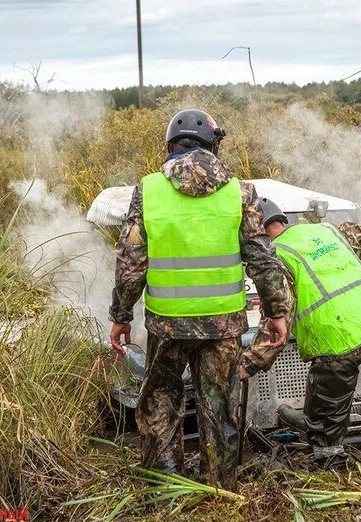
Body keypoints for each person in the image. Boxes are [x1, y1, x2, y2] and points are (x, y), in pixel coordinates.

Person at [108, 109, 288, 491]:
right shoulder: (240, 192)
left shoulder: (149, 190)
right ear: (213, 146)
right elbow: (262, 256)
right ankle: (220, 491)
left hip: (167, 323)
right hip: (222, 326)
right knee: (219, 410)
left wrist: (121, 315)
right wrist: (276, 312)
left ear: (172, 145)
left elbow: (130, 262)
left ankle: (165, 490)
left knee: (160, 404)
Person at [240, 198, 361, 467]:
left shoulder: (276, 258)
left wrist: (248, 364)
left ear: (254, 231)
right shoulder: (327, 231)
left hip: (338, 337)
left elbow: (277, 323)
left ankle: (332, 467)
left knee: (323, 420)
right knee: (328, 395)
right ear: (282, 220)